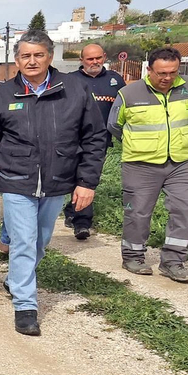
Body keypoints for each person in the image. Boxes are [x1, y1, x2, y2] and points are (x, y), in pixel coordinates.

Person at [0, 30, 108, 336]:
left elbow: (94, 137)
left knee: (40, 240)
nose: (32, 61)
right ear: (17, 60)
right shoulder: (1, 96)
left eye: (38, 55)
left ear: (50, 56)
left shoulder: (74, 90)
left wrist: (87, 182)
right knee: (23, 240)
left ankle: (14, 280)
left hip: (57, 179)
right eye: (26, 55)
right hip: (14, 179)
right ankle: (25, 305)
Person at [109, 47, 188, 282]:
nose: (167, 77)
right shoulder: (128, 94)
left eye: (172, 72)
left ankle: (173, 261)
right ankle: (133, 256)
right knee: (138, 212)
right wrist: (141, 143)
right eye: (161, 72)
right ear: (149, 69)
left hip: (181, 162)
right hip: (140, 164)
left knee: (186, 209)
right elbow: (114, 125)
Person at [61, 43, 126, 239]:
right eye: (90, 59)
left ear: (104, 56)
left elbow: (124, 109)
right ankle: (73, 210)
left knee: (87, 178)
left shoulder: (115, 80)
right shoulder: (70, 80)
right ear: (82, 60)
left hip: (99, 140)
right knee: (74, 178)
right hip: (72, 139)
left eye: (98, 58)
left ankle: (82, 222)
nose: (95, 62)